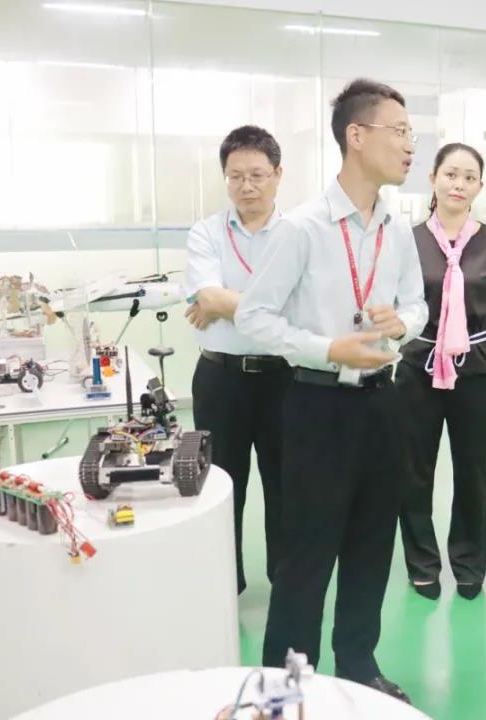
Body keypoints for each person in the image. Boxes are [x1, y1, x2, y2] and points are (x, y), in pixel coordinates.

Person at [233, 78, 425, 703]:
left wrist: (401, 323)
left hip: (383, 403)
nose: (410, 144)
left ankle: (359, 667)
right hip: (317, 406)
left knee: (372, 545)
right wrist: (327, 348)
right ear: (356, 135)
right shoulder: (303, 228)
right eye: (400, 131)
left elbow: (417, 304)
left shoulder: (397, 228)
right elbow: (254, 317)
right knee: (307, 556)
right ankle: (285, 687)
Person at [397, 143, 486, 601]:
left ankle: (469, 563)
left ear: (479, 187)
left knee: (472, 471)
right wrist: (436, 343)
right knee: (413, 471)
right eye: (451, 174)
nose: (459, 184)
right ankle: (422, 562)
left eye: (469, 177)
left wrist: (463, 344)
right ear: (432, 178)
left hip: (477, 372)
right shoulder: (407, 241)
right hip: (418, 369)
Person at [183, 125, 291, 593]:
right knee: (221, 485)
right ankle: (227, 583)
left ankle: (286, 581)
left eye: (257, 175)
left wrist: (226, 305)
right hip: (220, 379)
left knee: (286, 486)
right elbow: (206, 296)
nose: (246, 186)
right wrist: (269, 308)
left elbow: (303, 307)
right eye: (235, 176)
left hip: (285, 380)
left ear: (277, 175)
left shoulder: (298, 235)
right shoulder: (206, 232)